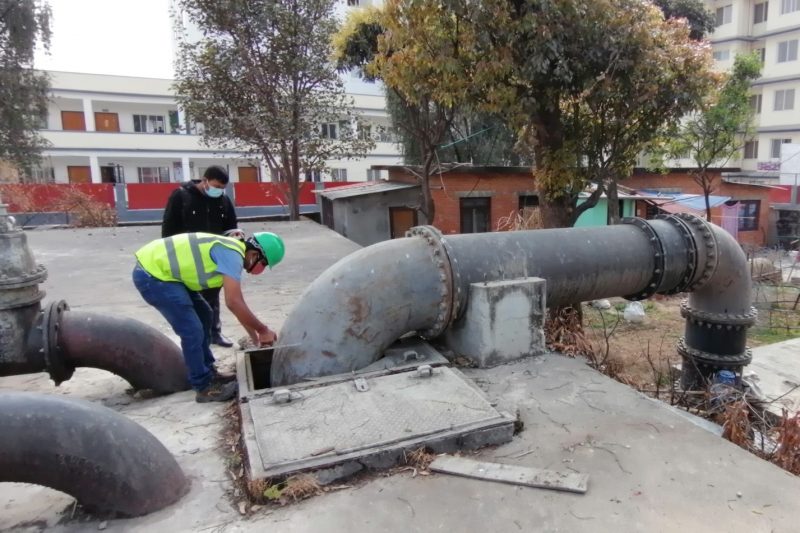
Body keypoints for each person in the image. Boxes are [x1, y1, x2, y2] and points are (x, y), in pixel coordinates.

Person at [132, 231, 285, 402]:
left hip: (166, 275)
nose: (262, 270)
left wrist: (257, 339)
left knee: (205, 315)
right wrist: (262, 329)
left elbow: (237, 306)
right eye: (264, 264)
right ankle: (203, 387)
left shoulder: (232, 251)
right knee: (192, 330)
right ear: (255, 255)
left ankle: (209, 372)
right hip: (153, 275)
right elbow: (234, 302)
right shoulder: (231, 255)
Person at [162, 165, 240, 348]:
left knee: (212, 297)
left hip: (212, 257)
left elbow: (231, 227)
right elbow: (168, 228)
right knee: (190, 298)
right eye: (216, 186)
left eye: (222, 188)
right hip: (187, 259)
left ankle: (215, 333)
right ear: (204, 181)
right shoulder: (181, 196)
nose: (219, 191)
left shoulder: (223, 200)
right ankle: (195, 337)